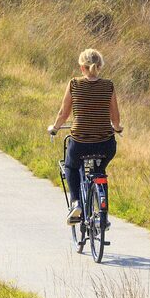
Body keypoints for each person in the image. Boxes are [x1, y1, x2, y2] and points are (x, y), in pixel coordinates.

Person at [47, 49, 122, 224]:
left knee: (71, 167)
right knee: (99, 170)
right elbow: (115, 117)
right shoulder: (108, 85)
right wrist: (117, 128)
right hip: (105, 144)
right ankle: (103, 213)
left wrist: (55, 128)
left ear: (82, 67)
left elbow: (63, 113)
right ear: (100, 66)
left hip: (80, 142)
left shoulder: (74, 84)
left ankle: (76, 203)